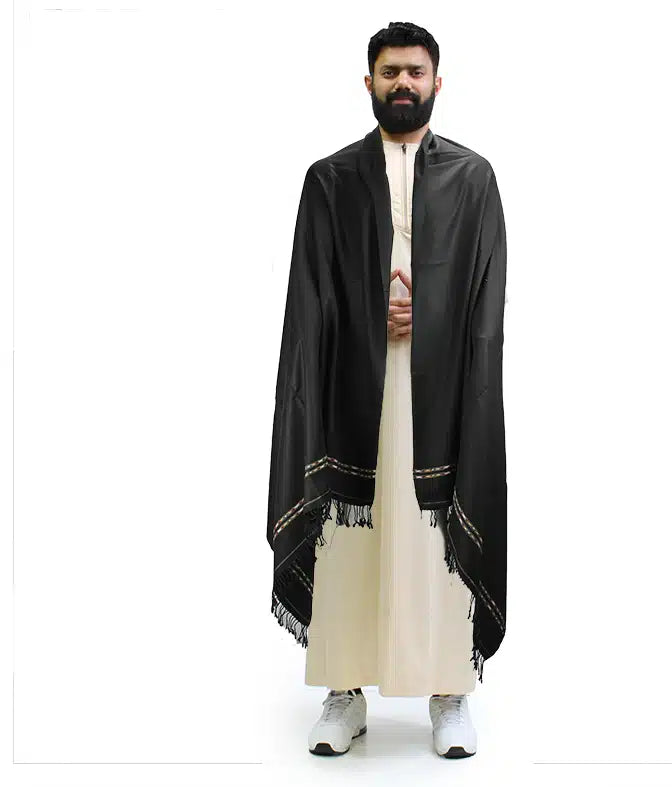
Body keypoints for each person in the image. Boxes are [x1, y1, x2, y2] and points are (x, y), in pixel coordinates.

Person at [266, 21, 507, 760]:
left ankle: (449, 692)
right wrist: (372, 310)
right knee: (349, 542)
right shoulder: (330, 180)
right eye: (391, 71)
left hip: (441, 388)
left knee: (435, 537)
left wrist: (425, 317)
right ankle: (343, 693)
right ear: (368, 82)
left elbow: (486, 297)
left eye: (415, 72)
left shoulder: (472, 179)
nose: (403, 82)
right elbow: (309, 294)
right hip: (351, 386)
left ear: (438, 83)